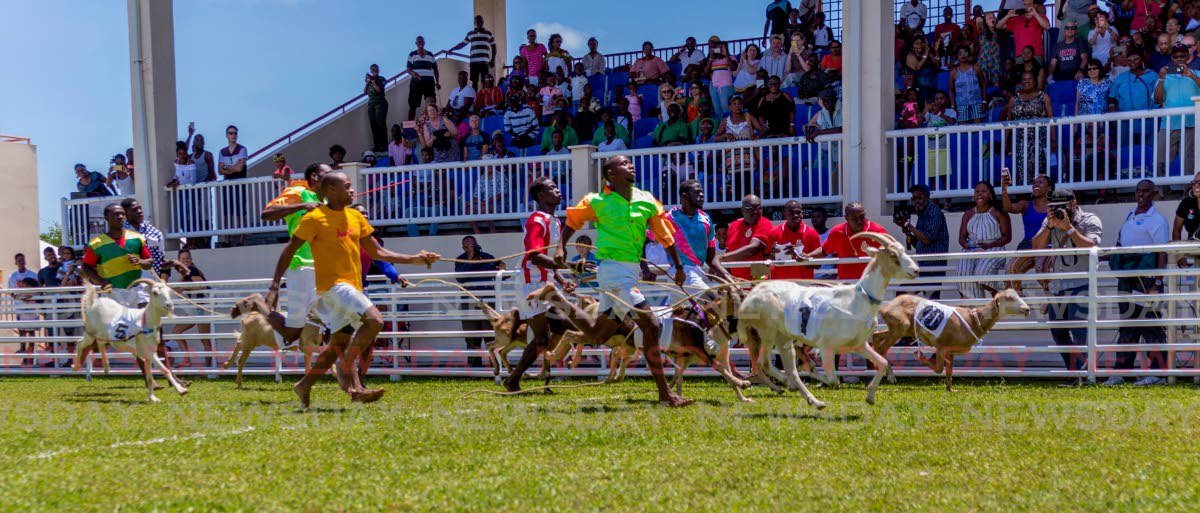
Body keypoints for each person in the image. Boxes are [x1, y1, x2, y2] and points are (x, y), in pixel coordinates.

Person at [269, 172, 439, 408]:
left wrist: (416, 259)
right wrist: (275, 284)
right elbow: (288, 251)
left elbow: (378, 252)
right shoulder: (314, 218)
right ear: (330, 190)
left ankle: (304, 385)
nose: (351, 191)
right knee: (375, 321)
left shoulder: (356, 217)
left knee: (336, 346)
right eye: (346, 187)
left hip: (351, 287)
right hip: (333, 288)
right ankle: (350, 376)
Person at [531, 155, 690, 407]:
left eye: (630, 162)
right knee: (651, 325)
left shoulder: (647, 199)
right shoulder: (597, 201)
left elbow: (665, 235)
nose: (630, 165)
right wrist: (560, 247)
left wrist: (678, 266)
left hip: (629, 272)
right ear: (610, 174)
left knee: (596, 334)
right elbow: (572, 222)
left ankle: (555, 298)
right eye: (624, 163)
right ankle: (664, 395)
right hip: (613, 272)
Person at [502, 178, 581, 391]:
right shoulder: (537, 220)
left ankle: (517, 379)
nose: (558, 190)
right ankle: (518, 378)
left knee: (556, 332)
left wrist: (562, 280)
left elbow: (550, 260)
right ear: (541, 196)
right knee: (556, 331)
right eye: (552, 188)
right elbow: (536, 256)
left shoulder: (555, 221)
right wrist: (570, 267)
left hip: (545, 283)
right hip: (531, 284)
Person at [1032, 189, 1101, 387]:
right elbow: (1035, 247)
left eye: (1061, 206)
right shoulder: (1050, 221)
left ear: (1073, 203)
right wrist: (1049, 227)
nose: (1058, 210)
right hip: (1058, 285)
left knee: (1080, 332)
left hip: (1082, 282)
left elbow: (1091, 246)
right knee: (1059, 331)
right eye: (1053, 206)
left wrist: (1069, 228)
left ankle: (1085, 377)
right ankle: (1075, 375)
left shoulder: (1089, 219)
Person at [1107, 179, 1170, 386]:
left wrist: (1158, 283)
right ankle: (1122, 372)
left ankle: (1158, 374)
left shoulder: (1158, 220)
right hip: (1127, 278)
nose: (1141, 195)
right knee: (1127, 326)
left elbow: (1162, 252)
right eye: (1138, 191)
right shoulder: (1130, 216)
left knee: (1150, 325)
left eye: (1146, 191)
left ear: (1153, 194)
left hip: (1146, 280)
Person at [260, 162, 328, 348]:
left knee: (342, 324)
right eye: (327, 173)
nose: (332, 176)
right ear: (314, 176)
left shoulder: (329, 198)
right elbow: (266, 214)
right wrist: (302, 206)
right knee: (291, 335)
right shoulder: (298, 191)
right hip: (302, 268)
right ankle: (259, 305)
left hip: (326, 269)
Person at [801, 202, 890, 280]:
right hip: (847, 286)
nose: (859, 221)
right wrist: (808, 256)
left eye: (862, 217)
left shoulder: (877, 231)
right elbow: (824, 250)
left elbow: (891, 250)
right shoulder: (838, 232)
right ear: (846, 218)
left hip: (870, 284)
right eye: (854, 218)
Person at [956, 180, 1012, 298]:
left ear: (990, 194)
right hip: (972, 249)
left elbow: (1007, 237)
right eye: (977, 192)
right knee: (963, 273)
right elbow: (962, 237)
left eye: (983, 191)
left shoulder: (999, 212)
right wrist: (966, 246)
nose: (979, 194)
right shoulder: (968, 214)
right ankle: (977, 306)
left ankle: (997, 296)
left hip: (994, 248)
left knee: (981, 272)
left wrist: (989, 245)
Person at [454, 236, 501, 368]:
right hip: (469, 300)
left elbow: (501, 275)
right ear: (463, 247)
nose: (470, 247)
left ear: (477, 244)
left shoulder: (488, 257)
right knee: (471, 335)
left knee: (490, 334)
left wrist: (502, 268)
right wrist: (469, 258)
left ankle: (496, 367)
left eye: (472, 244)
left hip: (487, 300)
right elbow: (460, 278)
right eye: (467, 245)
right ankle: (475, 369)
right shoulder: (460, 259)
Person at [897, 184, 949, 298]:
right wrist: (906, 230)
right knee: (926, 301)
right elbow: (918, 243)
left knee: (930, 301)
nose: (916, 201)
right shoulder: (922, 213)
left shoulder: (934, 212)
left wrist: (908, 225)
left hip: (934, 267)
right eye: (913, 199)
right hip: (925, 266)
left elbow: (927, 239)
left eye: (919, 197)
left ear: (927, 197)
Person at [1154, 45, 1200, 169]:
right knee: (1161, 162)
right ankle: (1163, 189)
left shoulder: (1196, 74)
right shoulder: (1165, 75)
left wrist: (1191, 75)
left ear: (1188, 56)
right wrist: (1161, 79)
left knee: (1189, 164)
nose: (1179, 59)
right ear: (1171, 58)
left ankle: (1189, 189)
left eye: (1182, 56)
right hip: (1168, 124)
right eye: (1175, 56)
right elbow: (1157, 100)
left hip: (1191, 124)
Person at [165, 249, 212, 369]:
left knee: (204, 339)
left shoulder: (193, 270)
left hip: (202, 307)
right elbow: (178, 289)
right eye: (183, 259)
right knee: (176, 331)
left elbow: (201, 286)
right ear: (179, 261)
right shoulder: (184, 273)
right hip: (194, 309)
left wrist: (184, 288)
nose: (185, 261)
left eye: (187, 258)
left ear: (191, 260)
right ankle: (186, 360)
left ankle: (209, 369)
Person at [1005, 71, 1053, 181]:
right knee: (1022, 173)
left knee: (1039, 172)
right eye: (1024, 79)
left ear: (1035, 81)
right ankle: (1023, 196)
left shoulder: (1044, 97)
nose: (1027, 81)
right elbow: (1009, 120)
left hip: (1039, 142)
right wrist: (1006, 142)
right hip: (1020, 143)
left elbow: (1051, 119)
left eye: (1030, 78)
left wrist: (1053, 140)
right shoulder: (1014, 99)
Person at [721, 194, 775, 281]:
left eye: (758, 208)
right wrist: (727, 276)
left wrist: (721, 259)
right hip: (736, 279)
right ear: (742, 210)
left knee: (758, 293)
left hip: (759, 270)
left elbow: (751, 250)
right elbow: (728, 251)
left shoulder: (765, 224)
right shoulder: (733, 226)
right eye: (751, 209)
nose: (756, 212)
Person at [771, 200, 821, 280]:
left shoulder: (812, 234)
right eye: (791, 213)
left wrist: (800, 256)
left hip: (802, 287)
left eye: (798, 212)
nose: (796, 215)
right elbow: (764, 260)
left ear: (802, 214)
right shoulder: (774, 232)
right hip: (780, 286)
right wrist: (772, 255)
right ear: (785, 214)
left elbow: (818, 265)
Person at [218, 124, 248, 246]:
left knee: (241, 212)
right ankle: (226, 240)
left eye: (235, 133)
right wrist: (233, 168)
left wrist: (227, 168)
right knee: (227, 213)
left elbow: (240, 168)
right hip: (227, 185)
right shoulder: (222, 151)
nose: (233, 135)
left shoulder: (242, 149)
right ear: (226, 135)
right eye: (230, 133)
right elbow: (219, 170)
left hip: (239, 184)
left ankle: (241, 240)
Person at [453, 15, 497, 90]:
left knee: (485, 82)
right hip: (474, 62)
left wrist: (492, 60)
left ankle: (484, 99)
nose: (478, 22)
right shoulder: (470, 34)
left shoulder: (489, 34)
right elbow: (462, 44)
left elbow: (494, 47)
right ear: (474, 23)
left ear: (483, 22)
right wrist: (452, 49)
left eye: (480, 21)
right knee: (474, 82)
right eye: (477, 21)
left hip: (485, 62)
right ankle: (475, 100)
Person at [949, 47, 987, 124]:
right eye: (960, 53)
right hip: (961, 104)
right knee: (963, 130)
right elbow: (951, 90)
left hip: (977, 103)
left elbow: (983, 85)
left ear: (969, 55)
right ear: (957, 57)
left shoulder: (976, 69)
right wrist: (953, 106)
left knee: (978, 128)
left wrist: (984, 101)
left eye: (965, 52)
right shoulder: (953, 72)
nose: (963, 55)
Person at [706, 39, 738, 117]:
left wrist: (726, 54)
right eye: (718, 47)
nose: (719, 49)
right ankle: (721, 128)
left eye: (722, 47)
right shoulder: (713, 60)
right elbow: (706, 73)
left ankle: (729, 127)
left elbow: (734, 67)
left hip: (726, 87)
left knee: (727, 109)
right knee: (717, 111)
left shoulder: (731, 57)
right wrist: (710, 58)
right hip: (714, 87)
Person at [363, 64, 389, 153]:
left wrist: (373, 81)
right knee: (374, 126)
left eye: (375, 69)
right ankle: (377, 146)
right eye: (372, 70)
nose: (373, 71)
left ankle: (384, 145)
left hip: (380, 102)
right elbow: (365, 92)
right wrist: (367, 83)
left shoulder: (381, 79)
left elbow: (379, 90)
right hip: (371, 103)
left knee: (381, 124)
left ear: (378, 70)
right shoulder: (369, 81)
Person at [1174, 174, 1200, 244]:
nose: (1196, 185)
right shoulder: (1187, 202)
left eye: (1199, 182)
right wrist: (1178, 251)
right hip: (1191, 248)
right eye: (1194, 183)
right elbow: (1177, 229)